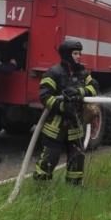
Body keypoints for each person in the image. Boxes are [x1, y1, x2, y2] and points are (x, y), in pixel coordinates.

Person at [33, 39, 99, 185]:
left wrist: (79, 91)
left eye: (79, 53)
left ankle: (74, 187)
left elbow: (94, 88)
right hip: (56, 125)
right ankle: (40, 187)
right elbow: (44, 97)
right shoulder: (53, 73)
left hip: (76, 123)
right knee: (50, 157)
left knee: (77, 157)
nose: (79, 56)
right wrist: (63, 106)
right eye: (75, 53)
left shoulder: (82, 73)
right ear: (66, 54)